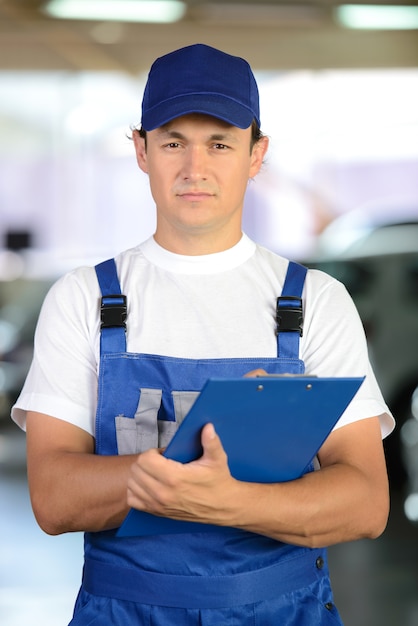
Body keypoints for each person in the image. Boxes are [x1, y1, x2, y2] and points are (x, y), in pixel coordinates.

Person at [12, 43, 394, 625]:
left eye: (220, 142)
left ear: (256, 153)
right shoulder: (84, 299)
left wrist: (232, 500)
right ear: (141, 150)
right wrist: (181, 472)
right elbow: (55, 498)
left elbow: (366, 502)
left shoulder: (314, 302)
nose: (196, 168)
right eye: (173, 142)